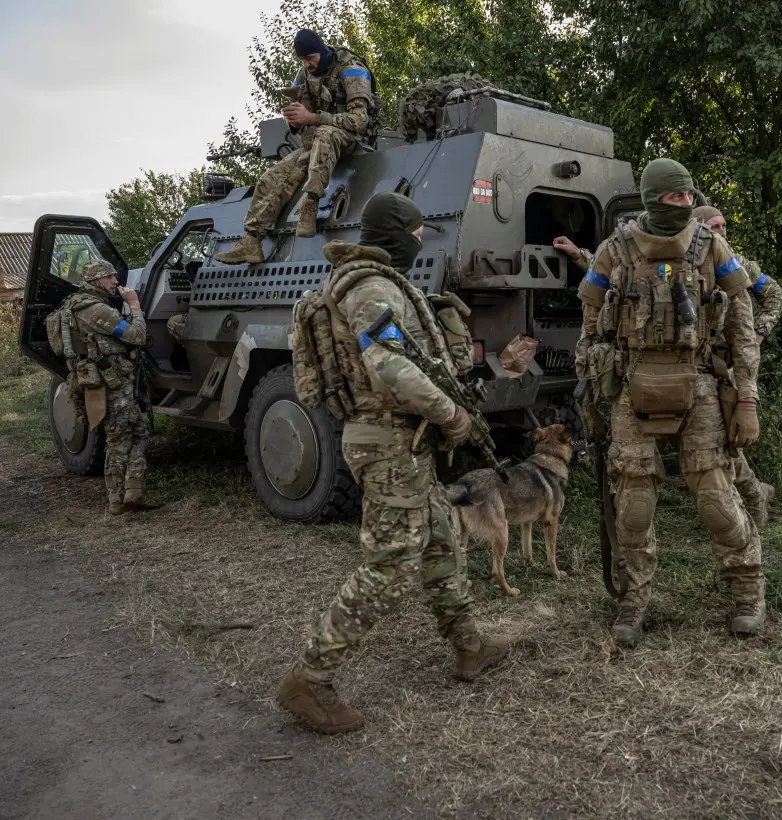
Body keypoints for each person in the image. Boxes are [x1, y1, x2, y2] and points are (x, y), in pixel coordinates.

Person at [276, 192, 508, 734]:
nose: (422, 238)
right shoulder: (374, 288)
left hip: (400, 442)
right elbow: (386, 365)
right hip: (386, 443)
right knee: (390, 563)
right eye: (418, 229)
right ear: (397, 233)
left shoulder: (372, 283)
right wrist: (450, 412)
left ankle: (470, 646)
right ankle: (309, 679)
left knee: (437, 540)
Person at [575, 158, 764, 647]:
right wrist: (590, 392)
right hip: (631, 386)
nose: (685, 204)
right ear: (653, 197)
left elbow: (743, 331)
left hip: (699, 384)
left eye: (688, 196)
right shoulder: (613, 252)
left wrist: (746, 398)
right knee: (633, 504)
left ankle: (748, 593)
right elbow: (590, 325)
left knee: (717, 499)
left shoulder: (711, 246)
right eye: (675, 196)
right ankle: (633, 602)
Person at [216, 29, 378, 264]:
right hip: (320, 143)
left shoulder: (351, 68)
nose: (307, 64)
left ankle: (310, 205)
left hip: (354, 140)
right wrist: (294, 120)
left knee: (324, 134)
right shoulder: (304, 74)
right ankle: (251, 240)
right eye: (303, 60)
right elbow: (301, 114)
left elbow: (360, 121)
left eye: (311, 58)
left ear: (322, 52)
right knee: (273, 176)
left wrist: (313, 118)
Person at [691, 204, 782, 527]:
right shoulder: (687, 263)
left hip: (728, 367)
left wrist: (760, 331)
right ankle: (748, 495)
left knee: (728, 440)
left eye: (724, 226)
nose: (721, 232)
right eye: (713, 227)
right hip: (694, 366)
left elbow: (773, 294)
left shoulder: (737, 265)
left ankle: (754, 499)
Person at [60, 261, 154, 515]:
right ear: (94, 282)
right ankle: (117, 499)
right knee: (119, 439)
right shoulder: (96, 310)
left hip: (100, 380)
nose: (115, 280)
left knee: (138, 433)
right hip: (112, 382)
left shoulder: (73, 304)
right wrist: (134, 305)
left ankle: (133, 491)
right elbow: (136, 336)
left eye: (114, 275)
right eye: (108, 277)